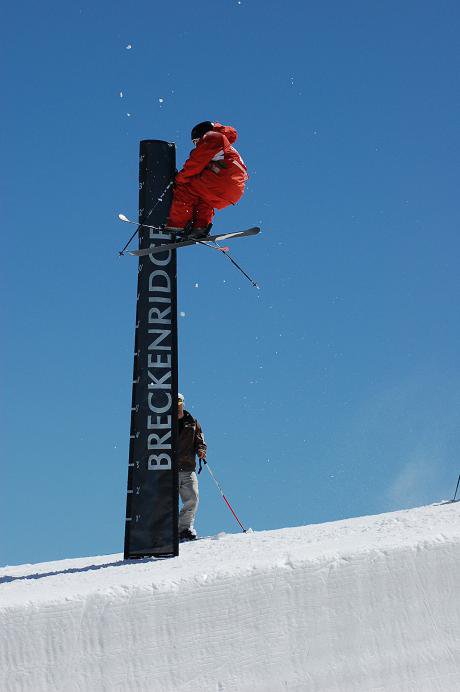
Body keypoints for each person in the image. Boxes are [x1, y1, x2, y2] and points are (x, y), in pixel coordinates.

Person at [166, 121, 248, 239]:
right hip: (233, 190)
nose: (196, 145)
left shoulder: (212, 137)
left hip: (220, 180)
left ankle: (178, 224)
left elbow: (195, 163)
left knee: (185, 187)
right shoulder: (226, 145)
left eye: (195, 141)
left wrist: (178, 179)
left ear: (201, 135)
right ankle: (200, 227)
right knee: (204, 198)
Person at [177, 392, 207, 541]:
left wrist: (201, 450)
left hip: (188, 467)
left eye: (179, 402)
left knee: (193, 498)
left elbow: (200, 440)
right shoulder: (163, 422)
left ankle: (184, 529)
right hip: (168, 469)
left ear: (183, 403)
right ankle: (165, 530)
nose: (177, 406)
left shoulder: (192, 422)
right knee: (165, 501)